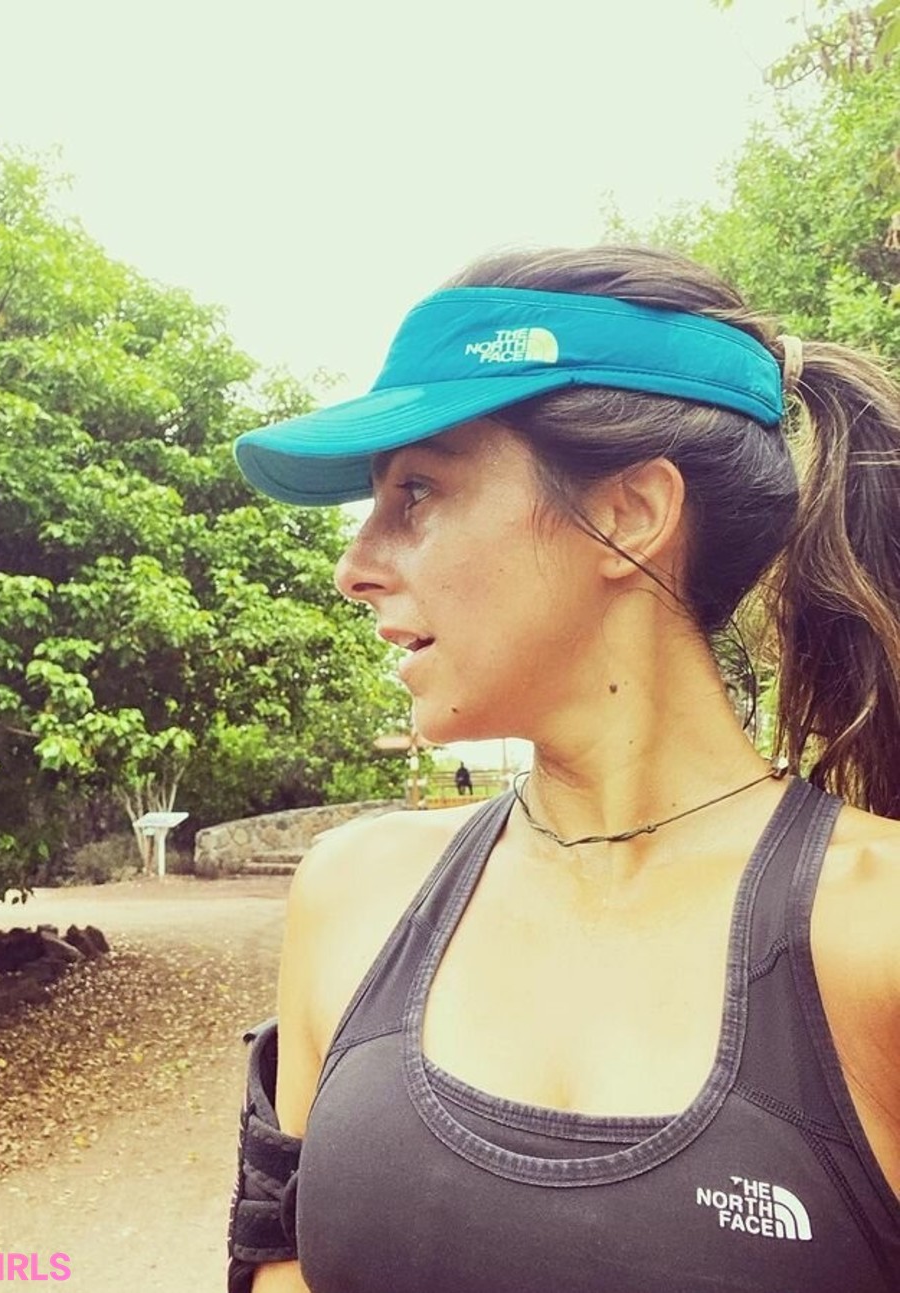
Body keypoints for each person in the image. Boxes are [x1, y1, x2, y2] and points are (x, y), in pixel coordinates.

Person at [226, 246, 900, 1293]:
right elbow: (277, 1263)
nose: (353, 566)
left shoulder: (874, 932)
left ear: (631, 514)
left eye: (417, 491)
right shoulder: (354, 894)